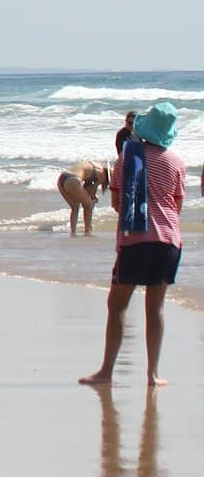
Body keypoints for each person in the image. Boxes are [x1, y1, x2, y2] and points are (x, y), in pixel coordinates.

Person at [82, 103, 185, 386]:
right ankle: (153, 375)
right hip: (169, 241)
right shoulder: (176, 162)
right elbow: (176, 206)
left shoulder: (129, 158)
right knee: (156, 308)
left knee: (117, 306)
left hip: (136, 240)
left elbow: (118, 203)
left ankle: (106, 372)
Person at [59, 159, 110, 236]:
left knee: (75, 207)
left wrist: (91, 196)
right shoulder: (103, 175)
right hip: (73, 179)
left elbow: (86, 190)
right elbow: (91, 191)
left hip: (62, 178)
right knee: (89, 205)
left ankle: (73, 232)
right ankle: (87, 231)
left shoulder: (94, 165)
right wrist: (94, 198)